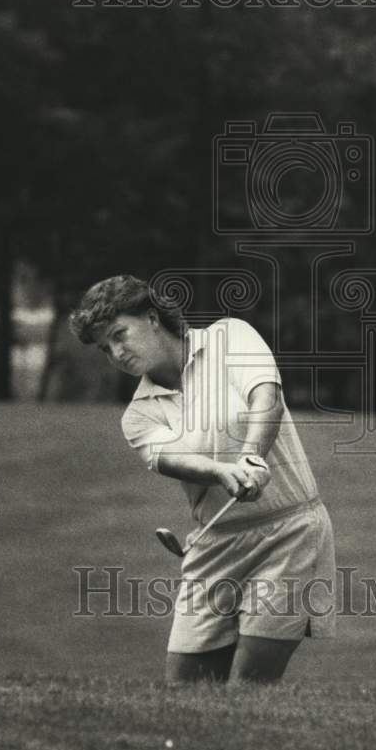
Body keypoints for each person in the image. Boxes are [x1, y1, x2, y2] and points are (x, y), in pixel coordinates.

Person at [69, 274, 335, 683]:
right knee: (183, 690)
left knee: (248, 686)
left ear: (153, 318)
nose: (117, 353)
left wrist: (250, 456)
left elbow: (268, 397)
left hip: (289, 534)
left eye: (120, 334)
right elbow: (174, 460)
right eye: (106, 348)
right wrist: (224, 472)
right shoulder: (138, 416)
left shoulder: (230, 337)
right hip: (213, 548)